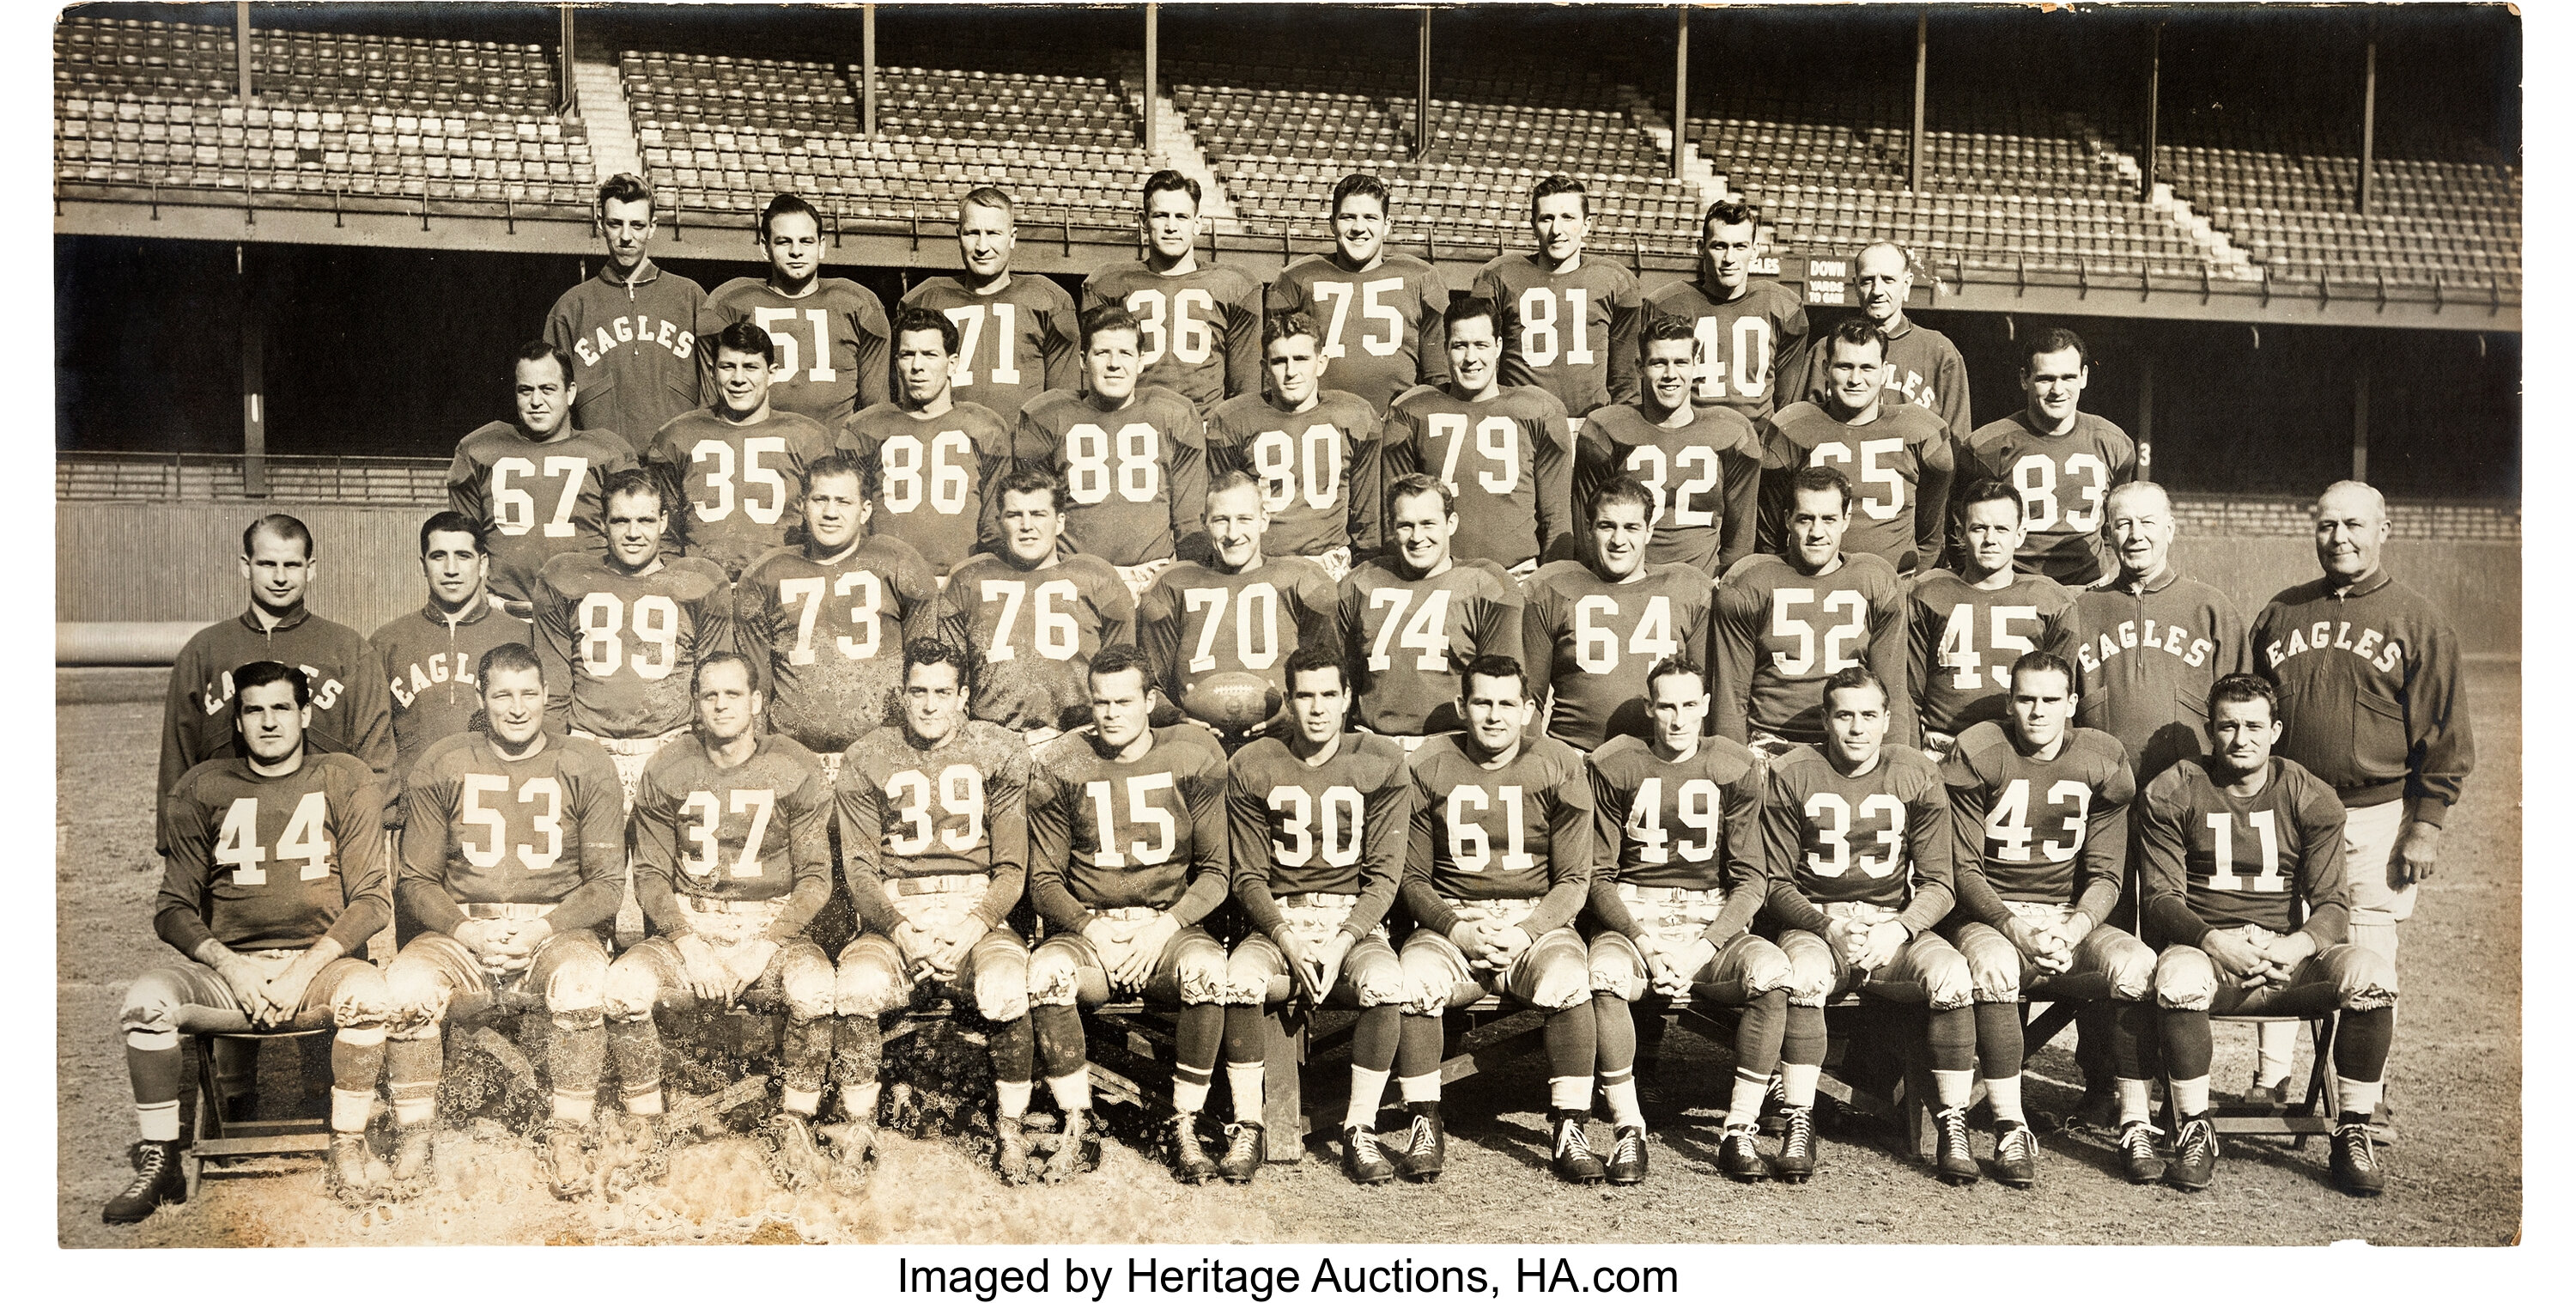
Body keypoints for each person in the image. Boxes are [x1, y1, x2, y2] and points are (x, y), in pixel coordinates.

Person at [104, 662, 392, 1221]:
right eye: (254, 709)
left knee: (371, 995)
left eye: (281, 707)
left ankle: (348, 1144)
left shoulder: (344, 776)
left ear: (305, 714)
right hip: (229, 967)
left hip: (318, 967)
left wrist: (300, 970)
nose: (268, 721)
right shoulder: (203, 786)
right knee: (145, 999)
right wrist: (232, 968)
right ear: (238, 719)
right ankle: (162, 1157)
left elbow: (373, 900)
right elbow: (173, 906)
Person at [2250, 481, 2474, 1112]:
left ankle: (2361, 1092)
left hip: (2375, 811)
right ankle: (2271, 1076)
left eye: (2353, 524)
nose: (2339, 537)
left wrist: (2426, 824)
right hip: (2285, 806)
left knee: (2371, 949)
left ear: (2384, 528)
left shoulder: (2419, 618)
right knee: (2279, 934)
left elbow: (2446, 734)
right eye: (2326, 525)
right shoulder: (2279, 612)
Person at [2129, 674, 2398, 1197]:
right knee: (2179, 976)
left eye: (2254, 726)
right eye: (2228, 726)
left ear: (2276, 730)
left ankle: (2353, 1128)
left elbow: (2332, 906)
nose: (2241, 738)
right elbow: (2160, 900)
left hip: (2283, 952)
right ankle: (2194, 1127)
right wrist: (2214, 941)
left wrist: (2293, 945)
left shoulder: (2309, 794)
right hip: (2205, 947)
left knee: (2371, 974)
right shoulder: (2174, 789)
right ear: (2210, 730)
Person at [380, 644, 629, 1199]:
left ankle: (568, 1132)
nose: (516, 708)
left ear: (546, 696)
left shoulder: (585, 763)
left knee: (585, 984)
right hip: (466, 932)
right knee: (404, 987)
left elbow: (608, 882)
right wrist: (467, 931)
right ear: (481, 698)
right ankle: (415, 1134)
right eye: (502, 695)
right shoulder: (443, 762)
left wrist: (544, 928)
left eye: (527, 694)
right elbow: (415, 878)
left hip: (552, 932)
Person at [603, 653, 848, 1190]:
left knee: (813, 987)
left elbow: (815, 879)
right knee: (622, 987)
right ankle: (645, 1124)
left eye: (733, 695)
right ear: (696, 703)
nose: (721, 705)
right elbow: (648, 875)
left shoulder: (796, 765)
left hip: (768, 925)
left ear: (757, 702)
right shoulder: (668, 766)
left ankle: (796, 1124)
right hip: (692, 923)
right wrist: (689, 944)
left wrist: (767, 943)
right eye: (710, 695)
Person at [2068, 479, 2251, 1116]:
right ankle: (2106, 1075)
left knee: (2181, 925)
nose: (2135, 535)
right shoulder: (2081, 610)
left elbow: (2244, 710)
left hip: (2187, 804)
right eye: (2122, 524)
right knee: (2107, 932)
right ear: (2107, 533)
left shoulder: (2210, 608)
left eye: (2148, 522)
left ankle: (2180, 1077)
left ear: (2172, 529)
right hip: (2104, 804)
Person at [1938, 652, 2148, 1189]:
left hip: (2065, 917)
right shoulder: (1981, 750)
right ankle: (2011, 1123)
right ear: (2010, 702)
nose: (2037, 712)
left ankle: (2136, 1122)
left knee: (2135, 964)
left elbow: (2106, 874)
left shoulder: (2102, 758)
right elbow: (1962, 870)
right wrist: (2017, 929)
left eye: (2051, 700)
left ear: (2072, 704)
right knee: (1992, 965)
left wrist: (2075, 928)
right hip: (1991, 914)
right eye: (2026, 699)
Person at [1024, 647, 1234, 1184]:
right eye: (1100, 702)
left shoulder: (1191, 753)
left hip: (1166, 930)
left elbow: (1216, 872)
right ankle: (1078, 1121)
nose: (1111, 713)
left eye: (1124, 701)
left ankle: (1183, 1120)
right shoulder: (1062, 762)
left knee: (1211, 971)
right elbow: (1044, 881)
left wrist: (1164, 926)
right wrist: (1095, 929)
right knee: (1046, 974)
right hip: (1091, 930)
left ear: (1150, 701)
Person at [1760, 665, 1976, 1185]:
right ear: (1826, 722)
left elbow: (1940, 883)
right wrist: (1825, 925)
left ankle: (1953, 1122)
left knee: (1952, 974)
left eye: (1868, 716)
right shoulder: (1794, 771)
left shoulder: (1916, 773)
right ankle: (1798, 1118)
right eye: (1844, 715)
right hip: (1818, 924)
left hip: (1891, 927)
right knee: (1804, 974)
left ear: (1886, 721)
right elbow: (1773, 881)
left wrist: (1899, 929)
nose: (1856, 728)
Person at [835, 641, 1042, 1182]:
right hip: (898, 914)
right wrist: (903, 933)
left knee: (1004, 982)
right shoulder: (867, 755)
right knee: (856, 982)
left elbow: (1013, 867)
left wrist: (969, 932)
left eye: (942, 693)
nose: (929, 705)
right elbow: (859, 871)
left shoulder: (1000, 750)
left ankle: (1012, 1126)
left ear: (964, 697)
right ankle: (859, 1124)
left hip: (976, 911)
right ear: (902, 695)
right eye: (918, 691)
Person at [1390, 655, 1601, 1184]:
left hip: (1534, 921)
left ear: (1529, 709)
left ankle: (1570, 1122)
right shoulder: (1427, 763)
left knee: (1571, 977)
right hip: (1452, 921)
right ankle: (1423, 1117)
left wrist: (1527, 930)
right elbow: (1411, 878)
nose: (1494, 716)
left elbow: (1574, 880)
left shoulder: (1561, 763)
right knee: (1413, 979)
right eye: (1482, 702)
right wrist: (1457, 928)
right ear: (1462, 705)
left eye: (1507, 704)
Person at [1582, 655, 1784, 1184]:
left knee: (1772, 971)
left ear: (1706, 707)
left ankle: (1738, 1128)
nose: (1677, 719)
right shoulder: (1617, 764)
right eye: (1666, 706)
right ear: (1649, 708)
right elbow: (1598, 876)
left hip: (1708, 915)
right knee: (1601, 973)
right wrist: (1645, 943)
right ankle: (1628, 1128)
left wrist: (1702, 947)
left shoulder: (1734, 766)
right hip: (1636, 910)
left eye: (1689, 705)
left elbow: (1750, 881)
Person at [1219, 647, 1415, 1184]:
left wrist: (1340, 941)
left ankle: (1360, 1126)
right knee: (1238, 977)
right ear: (1288, 700)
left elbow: (1383, 878)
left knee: (1386, 980)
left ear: (1349, 698)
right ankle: (1248, 1124)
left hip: (1352, 921)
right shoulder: (1254, 763)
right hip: (1278, 919)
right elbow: (1247, 877)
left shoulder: (1380, 759)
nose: (1317, 708)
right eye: (1304, 694)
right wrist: (1286, 938)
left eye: (1330, 694)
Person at [159, 515, 394, 850]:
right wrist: (174, 843)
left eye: (292, 565)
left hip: (323, 839)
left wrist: (369, 837)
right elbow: (177, 760)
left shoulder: (347, 649)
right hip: (229, 840)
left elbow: (377, 757)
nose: (280, 577)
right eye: (268, 564)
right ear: (246, 565)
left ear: (311, 568)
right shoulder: (205, 650)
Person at [531, 470, 734, 808]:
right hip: (589, 750)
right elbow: (554, 688)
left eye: (645, 520)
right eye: (620, 521)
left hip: (670, 751)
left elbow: (714, 688)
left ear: (664, 521)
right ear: (603, 523)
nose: (633, 533)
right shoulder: (566, 578)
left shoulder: (700, 582)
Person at [735, 452, 939, 771]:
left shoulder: (898, 562)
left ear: (865, 510)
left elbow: (928, 669)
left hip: (883, 758)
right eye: (820, 500)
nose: (831, 512)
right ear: (802, 506)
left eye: (843, 502)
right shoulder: (767, 574)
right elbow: (754, 684)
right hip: (793, 760)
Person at [1012, 303, 1212, 598]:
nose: (1114, 364)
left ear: (1141, 361)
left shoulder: (1174, 414)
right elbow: (1034, 518)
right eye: (1103, 353)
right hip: (1074, 581)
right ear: (1083, 360)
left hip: (1153, 580)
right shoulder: (1047, 416)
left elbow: (1189, 519)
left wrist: (1189, 586)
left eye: (1126, 353)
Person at [1712, 466, 1911, 755]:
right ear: (1787, 521)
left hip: (1848, 746)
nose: (1817, 532)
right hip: (1771, 743)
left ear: (1846, 520)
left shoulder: (1876, 580)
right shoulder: (1751, 581)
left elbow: (1890, 692)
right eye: (1805, 519)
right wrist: (1732, 767)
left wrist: (1892, 765)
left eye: (1828, 519)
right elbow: (1730, 696)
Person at [1138, 471, 1340, 750]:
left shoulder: (1300, 579)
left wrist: (1292, 716)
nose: (1233, 534)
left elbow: (1331, 677)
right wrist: (1177, 719)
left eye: (1244, 519)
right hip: (1196, 749)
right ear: (1204, 523)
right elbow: (1148, 687)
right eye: (1221, 520)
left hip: (1283, 746)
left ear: (1264, 520)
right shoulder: (1172, 585)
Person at [939, 467, 1138, 745]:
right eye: (1014, 515)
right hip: (992, 743)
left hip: (1081, 739)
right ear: (999, 522)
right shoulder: (968, 580)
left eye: (1038, 514)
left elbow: (1124, 675)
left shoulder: (1097, 577)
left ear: (1059, 522)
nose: (1026, 526)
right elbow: (945, 679)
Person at [1378, 295, 1572, 575]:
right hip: (1440, 577)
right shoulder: (1413, 411)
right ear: (1445, 349)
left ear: (1499, 347)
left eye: (1481, 345)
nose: (1471, 358)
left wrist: (1552, 587)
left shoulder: (1538, 410)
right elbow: (1394, 517)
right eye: (1460, 346)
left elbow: (1556, 519)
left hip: (1517, 576)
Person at [1521, 478, 1714, 752]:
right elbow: (1528, 699)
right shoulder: (1553, 586)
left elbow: (1706, 696)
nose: (1618, 540)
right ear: (1588, 529)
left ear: (1649, 531)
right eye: (1606, 526)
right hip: (1577, 757)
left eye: (1631, 527)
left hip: (1661, 757)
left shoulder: (1688, 588)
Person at [369, 512, 532, 836]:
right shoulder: (388, 641)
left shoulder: (520, 636)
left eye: (463, 556)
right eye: (438, 556)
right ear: (423, 564)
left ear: (483, 564)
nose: (451, 569)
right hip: (414, 819)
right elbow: (375, 739)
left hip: (498, 813)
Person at [448, 340, 641, 612]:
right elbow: (461, 545)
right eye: (526, 391)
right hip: (505, 614)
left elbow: (633, 543)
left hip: (585, 616)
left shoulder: (607, 453)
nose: (536, 401)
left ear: (570, 392)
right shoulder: (480, 449)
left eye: (547, 389)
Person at [1339, 474, 1525, 748]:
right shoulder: (1361, 582)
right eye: (1405, 526)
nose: (1417, 537)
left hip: (1451, 749)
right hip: (1371, 746)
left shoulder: (1483, 584)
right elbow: (1338, 681)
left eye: (1428, 524)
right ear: (1391, 527)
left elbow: (1504, 689)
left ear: (1451, 523)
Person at [646, 320, 839, 584]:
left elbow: (826, 528)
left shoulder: (808, 438)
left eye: (750, 367)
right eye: (728, 367)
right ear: (714, 372)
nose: (738, 379)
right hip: (701, 591)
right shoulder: (677, 436)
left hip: (783, 589)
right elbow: (663, 532)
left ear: (772, 374)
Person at [1760, 317, 1954, 575]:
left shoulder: (1920, 431)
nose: (1855, 379)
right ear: (1825, 368)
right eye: (1844, 366)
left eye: (1867, 368)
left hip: (1895, 586)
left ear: (1884, 372)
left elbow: (1929, 537)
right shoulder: (1794, 427)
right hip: (1813, 583)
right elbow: (1769, 536)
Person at [1574, 316, 1763, 578]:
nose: (1670, 374)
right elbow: (1587, 530)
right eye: (1658, 363)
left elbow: (1739, 538)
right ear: (1640, 368)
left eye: (1681, 362)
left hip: (1700, 589)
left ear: (1696, 365)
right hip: (1628, 585)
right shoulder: (1607, 430)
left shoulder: (1732, 432)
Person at [835, 307, 1014, 582]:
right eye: (908, 354)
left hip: (961, 583)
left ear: (952, 363)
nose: (917, 366)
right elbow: (851, 521)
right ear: (897, 363)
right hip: (884, 583)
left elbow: (995, 526)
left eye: (930, 354)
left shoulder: (986, 427)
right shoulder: (865, 428)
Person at [1908, 478, 2081, 758]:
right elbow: (1909, 692)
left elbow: (2059, 699)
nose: (1990, 539)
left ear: (2020, 533)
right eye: (1979, 528)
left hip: (2021, 749)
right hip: (1944, 746)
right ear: (1960, 533)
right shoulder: (1927, 592)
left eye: (2001, 528)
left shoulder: (2052, 601)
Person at [1206, 311, 1383, 580]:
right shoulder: (1234, 419)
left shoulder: (1355, 415)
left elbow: (1366, 517)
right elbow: (1221, 509)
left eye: (1301, 359)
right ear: (1265, 368)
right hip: (1260, 567)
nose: (1291, 372)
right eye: (1279, 361)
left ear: (1321, 363)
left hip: (1330, 567)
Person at [544, 172, 708, 455]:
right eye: (615, 224)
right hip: (601, 466)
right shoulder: (571, 307)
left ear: (653, 227)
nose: (626, 237)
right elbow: (553, 400)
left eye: (637, 225)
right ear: (600, 225)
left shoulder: (690, 296)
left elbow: (713, 389)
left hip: (677, 464)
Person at [1957, 327, 2136, 585]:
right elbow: (1959, 532)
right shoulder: (1987, 446)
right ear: (2024, 378)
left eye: (2068, 377)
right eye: (2045, 378)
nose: (2058, 389)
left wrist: (2105, 567)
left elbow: (2117, 521)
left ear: (2084, 377)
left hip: (2088, 588)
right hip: (2015, 590)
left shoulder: (2113, 443)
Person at [697, 192, 890, 427]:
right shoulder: (730, 303)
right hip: (759, 451)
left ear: (821, 247)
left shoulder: (858, 304)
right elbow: (710, 406)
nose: (796, 251)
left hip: (835, 455)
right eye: (783, 241)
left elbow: (876, 411)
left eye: (806, 241)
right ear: (765, 248)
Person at [1264, 172, 1450, 415]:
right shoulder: (1296, 278)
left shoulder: (1422, 278)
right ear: (1332, 223)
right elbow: (1273, 373)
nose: (1358, 228)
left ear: (1387, 225)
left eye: (1370, 217)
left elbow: (1439, 378)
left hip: (1398, 433)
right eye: (1348, 217)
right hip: (1320, 427)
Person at [1470, 174, 1643, 434]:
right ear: (1533, 225)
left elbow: (1625, 379)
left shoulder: (1616, 280)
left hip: (1589, 428)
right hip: (1519, 427)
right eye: (1547, 218)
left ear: (1586, 225)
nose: (1556, 230)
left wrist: (1620, 432)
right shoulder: (1499, 275)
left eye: (1568, 218)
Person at [1080, 170, 1261, 417]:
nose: (1171, 227)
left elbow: (1245, 389)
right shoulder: (1109, 283)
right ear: (1144, 221)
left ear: (1198, 223)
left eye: (1182, 217)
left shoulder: (1234, 286)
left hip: (1204, 427)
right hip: (1133, 424)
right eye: (1161, 215)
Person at [898, 185, 1081, 425]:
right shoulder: (926, 299)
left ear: (1012, 237)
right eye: (972, 233)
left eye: (993, 233)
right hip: (947, 445)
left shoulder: (1049, 300)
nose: (982, 247)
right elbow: (908, 400)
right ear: (958, 236)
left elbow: (1064, 403)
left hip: (1023, 450)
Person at [1643, 198, 1809, 425]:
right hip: (1690, 441)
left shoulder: (1783, 306)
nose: (1729, 259)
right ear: (1702, 248)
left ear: (1755, 250)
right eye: (1719, 246)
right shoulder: (1667, 304)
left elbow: (1787, 400)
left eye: (1740, 246)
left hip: (1757, 442)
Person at [1798, 241, 1970, 441]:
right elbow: (1802, 431)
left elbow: (1957, 442)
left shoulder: (1939, 351)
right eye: (1867, 280)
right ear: (1856, 286)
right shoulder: (1826, 349)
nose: (1877, 290)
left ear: (1906, 284)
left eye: (1888, 280)